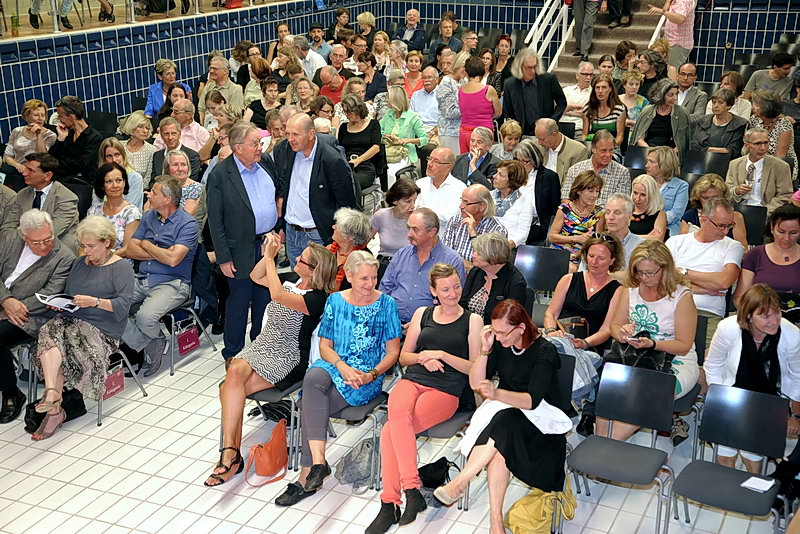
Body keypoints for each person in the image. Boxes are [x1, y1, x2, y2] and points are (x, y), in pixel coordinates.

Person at [205, 237, 337, 486]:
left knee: (229, 388)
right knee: (235, 370)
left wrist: (270, 258)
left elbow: (276, 295)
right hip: (263, 345)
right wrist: (267, 255)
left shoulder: (317, 299)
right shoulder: (292, 280)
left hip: (288, 355)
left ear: (314, 270)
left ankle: (230, 455)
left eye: (301, 260)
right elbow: (255, 276)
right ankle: (231, 453)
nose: (295, 259)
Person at [275, 252, 401, 507]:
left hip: (365, 374)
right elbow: (325, 347)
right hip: (336, 364)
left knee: (309, 406)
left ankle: (308, 474)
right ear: (350, 276)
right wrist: (341, 366)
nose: (370, 284)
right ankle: (318, 464)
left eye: (374, 278)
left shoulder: (387, 304)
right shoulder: (335, 300)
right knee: (313, 376)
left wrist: (371, 374)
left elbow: (393, 352)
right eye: (364, 278)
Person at [433, 299, 569, 534]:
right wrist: (484, 350)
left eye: (503, 333)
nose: (498, 337)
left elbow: (532, 401)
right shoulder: (500, 343)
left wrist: (496, 394)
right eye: (494, 331)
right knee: (500, 441)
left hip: (544, 425)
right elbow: (475, 383)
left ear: (521, 328)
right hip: (508, 421)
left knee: (504, 423)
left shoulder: (544, 351)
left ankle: (461, 483)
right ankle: (496, 522)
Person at [368, 263, 482, 534]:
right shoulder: (423, 313)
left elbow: (475, 368)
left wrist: (441, 355)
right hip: (413, 380)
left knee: (390, 431)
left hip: (446, 390)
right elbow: (404, 357)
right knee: (396, 418)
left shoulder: (473, 320)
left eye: (456, 287)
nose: (453, 293)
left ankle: (390, 503)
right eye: (445, 289)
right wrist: (422, 357)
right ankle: (410, 490)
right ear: (434, 292)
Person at [32, 216, 134, 440]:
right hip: (72, 318)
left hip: (102, 326)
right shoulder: (79, 264)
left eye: (91, 246)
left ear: (106, 242)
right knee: (48, 332)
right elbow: (71, 295)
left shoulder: (121, 267)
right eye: (83, 246)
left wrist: (95, 302)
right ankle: (52, 396)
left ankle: (54, 408)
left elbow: (123, 306)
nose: (86, 251)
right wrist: (59, 303)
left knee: (60, 344)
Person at [602, 239, 699, 442]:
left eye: (650, 273)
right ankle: (604, 442)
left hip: (675, 360)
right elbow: (615, 326)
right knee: (607, 391)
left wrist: (653, 344)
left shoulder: (681, 296)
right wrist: (623, 334)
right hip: (636, 355)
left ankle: (608, 445)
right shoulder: (631, 290)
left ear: (665, 269)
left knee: (642, 396)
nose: (644, 278)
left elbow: (684, 345)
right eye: (639, 272)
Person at [705, 284, 800, 473]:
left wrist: (794, 415)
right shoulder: (727, 328)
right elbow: (713, 365)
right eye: (765, 316)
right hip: (732, 394)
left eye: (777, 313)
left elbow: (797, 377)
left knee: (753, 458)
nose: (774, 321)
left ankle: (751, 485)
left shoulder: (792, 335)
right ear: (748, 315)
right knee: (725, 455)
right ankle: (729, 489)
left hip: (769, 400)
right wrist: (720, 401)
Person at [207, 122, 280, 361]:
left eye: (260, 142)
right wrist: (224, 257)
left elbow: (278, 191)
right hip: (238, 249)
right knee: (238, 303)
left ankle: (260, 348)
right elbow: (215, 221)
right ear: (238, 147)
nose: (260, 147)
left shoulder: (265, 162)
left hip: (267, 244)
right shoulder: (220, 175)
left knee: (264, 299)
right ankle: (233, 353)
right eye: (254, 144)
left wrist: (278, 227)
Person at [0, 210, 74, 425]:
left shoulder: (64, 257)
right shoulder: (9, 239)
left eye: (48, 239)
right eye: (36, 242)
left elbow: (48, 296)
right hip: (5, 302)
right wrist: (5, 300)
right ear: (23, 236)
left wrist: (9, 309)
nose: (44, 246)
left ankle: (11, 392)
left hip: (31, 315)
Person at [123, 176, 198, 376]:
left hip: (172, 283)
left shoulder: (188, 224)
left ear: (167, 199)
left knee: (145, 318)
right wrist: (161, 252)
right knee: (108, 309)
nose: (149, 195)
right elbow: (130, 249)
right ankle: (152, 343)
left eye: (154, 192)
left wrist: (147, 244)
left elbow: (173, 260)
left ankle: (150, 342)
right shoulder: (149, 216)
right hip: (142, 279)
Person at [277, 114, 359, 264]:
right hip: (291, 232)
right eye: (287, 134)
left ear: (311, 134)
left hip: (317, 234)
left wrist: (334, 239)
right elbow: (284, 181)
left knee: (318, 277)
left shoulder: (332, 160)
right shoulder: (288, 151)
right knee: (297, 276)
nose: (290, 139)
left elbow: (346, 203)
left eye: (295, 134)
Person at [667, 197, 744, 349]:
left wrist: (682, 272)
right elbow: (663, 280)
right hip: (671, 309)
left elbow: (724, 282)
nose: (726, 231)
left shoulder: (733, 246)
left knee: (707, 360)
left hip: (708, 313)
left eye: (730, 225)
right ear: (703, 219)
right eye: (720, 226)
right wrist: (702, 288)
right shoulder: (675, 242)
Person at [544, 234, 623, 373]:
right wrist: (551, 331)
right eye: (591, 256)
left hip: (590, 346)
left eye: (601, 258)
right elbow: (551, 313)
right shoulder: (568, 279)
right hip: (560, 338)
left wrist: (585, 343)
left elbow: (606, 330)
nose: (594, 261)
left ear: (612, 260)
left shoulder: (618, 290)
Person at [380, 207, 465, 325]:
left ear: (432, 232)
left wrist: (419, 324)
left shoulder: (451, 261)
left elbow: (454, 301)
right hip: (392, 321)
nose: (409, 234)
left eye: (415, 230)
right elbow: (385, 287)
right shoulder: (402, 254)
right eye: (409, 228)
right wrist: (388, 317)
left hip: (430, 326)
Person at [7, 153, 79, 251]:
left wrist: (21, 233)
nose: (24, 173)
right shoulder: (22, 194)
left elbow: (52, 232)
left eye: (31, 170)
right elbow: (9, 226)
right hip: (23, 245)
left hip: (56, 249)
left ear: (48, 176)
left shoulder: (66, 198)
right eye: (25, 168)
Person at [733, 205, 800, 309]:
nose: (786, 238)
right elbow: (740, 297)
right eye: (781, 232)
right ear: (772, 228)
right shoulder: (755, 254)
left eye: (793, 233)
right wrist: (754, 314)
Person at [460, 233, 526, 324]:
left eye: (478, 253)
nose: (473, 255)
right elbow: (462, 304)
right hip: (470, 327)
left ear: (493, 256)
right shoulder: (476, 271)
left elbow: (511, 319)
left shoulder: (515, 283)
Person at [727, 127, 794, 214]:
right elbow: (727, 191)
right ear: (747, 145)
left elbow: (785, 195)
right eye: (757, 143)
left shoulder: (781, 166)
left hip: (767, 211)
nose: (763, 148)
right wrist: (737, 191)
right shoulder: (734, 164)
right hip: (739, 210)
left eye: (765, 143)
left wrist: (765, 212)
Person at [502, 49, 567, 136]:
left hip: (546, 133)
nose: (532, 71)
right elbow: (508, 112)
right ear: (519, 67)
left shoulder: (548, 79)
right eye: (529, 67)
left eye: (534, 67)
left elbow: (562, 103)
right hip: (522, 133)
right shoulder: (510, 84)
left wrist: (552, 121)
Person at [442, 184, 508, 267]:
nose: (461, 206)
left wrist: (473, 233)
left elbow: (488, 267)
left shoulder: (497, 231)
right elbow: (445, 256)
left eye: (466, 203)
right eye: (461, 201)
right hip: (451, 272)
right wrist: (470, 266)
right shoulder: (455, 220)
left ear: (482, 206)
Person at [561, 130, 630, 207]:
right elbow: (565, 200)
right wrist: (581, 212)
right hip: (577, 213)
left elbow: (621, 205)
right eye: (603, 151)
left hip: (608, 214)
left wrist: (596, 213)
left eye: (611, 150)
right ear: (593, 149)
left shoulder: (622, 173)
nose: (608, 155)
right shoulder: (575, 170)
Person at [512, 140, 562, 245]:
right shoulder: (511, 175)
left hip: (536, 224)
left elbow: (554, 210)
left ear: (534, 160)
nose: (520, 165)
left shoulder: (549, 177)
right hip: (513, 221)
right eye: (517, 160)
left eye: (524, 161)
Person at [87, 163, 141, 258]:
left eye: (118, 180)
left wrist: (103, 259)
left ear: (124, 182)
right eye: (109, 181)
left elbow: (127, 249)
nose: (115, 185)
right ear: (102, 185)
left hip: (118, 261)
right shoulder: (94, 211)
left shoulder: (132, 213)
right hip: (93, 258)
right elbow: (86, 241)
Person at [550, 170, 605, 264]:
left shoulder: (599, 214)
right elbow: (552, 237)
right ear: (579, 191)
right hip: (557, 252)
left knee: (571, 268)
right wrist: (577, 238)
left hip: (581, 256)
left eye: (597, 191)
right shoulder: (565, 209)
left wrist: (578, 254)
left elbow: (597, 243)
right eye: (591, 191)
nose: (595, 195)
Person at [631, 78, 692, 162]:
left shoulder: (682, 112)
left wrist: (667, 155)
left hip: (670, 156)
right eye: (671, 95)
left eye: (676, 94)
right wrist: (651, 153)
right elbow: (639, 139)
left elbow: (683, 142)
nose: (674, 98)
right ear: (661, 95)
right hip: (648, 153)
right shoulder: (647, 110)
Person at [2, 99, 57, 192]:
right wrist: (17, 165)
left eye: (43, 115)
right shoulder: (17, 131)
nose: (40, 118)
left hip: (36, 175)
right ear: (27, 116)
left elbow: (42, 156)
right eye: (36, 115)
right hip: (16, 173)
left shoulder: (50, 135)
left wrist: (39, 135)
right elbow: (7, 156)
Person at [680, 173, 747, 248]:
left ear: (723, 196)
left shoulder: (735, 217)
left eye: (715, 198)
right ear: (698, 198)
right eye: (705, 198)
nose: (710, 202)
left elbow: (743, 250)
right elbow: (682, 246)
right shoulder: (689, 216)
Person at [379, 87, 428, 188]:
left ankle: (391, 195)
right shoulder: (388, 114)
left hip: (405, 153)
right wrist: (387, 136)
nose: (386, 100)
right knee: (377, 169)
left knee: (389, 171)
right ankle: (382, 194)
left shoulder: (413, 117)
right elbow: (378, 130)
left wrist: (406, 140)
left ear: (395, 100)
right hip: (388, 151)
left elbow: (424, 139)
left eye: (388, 98)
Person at [48, 96, 103, 182]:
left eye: (60, 116)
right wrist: (60, 139)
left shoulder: (95, 138)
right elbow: (50, 159)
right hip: (60, 179)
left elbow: (82, 165)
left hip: (81, 182)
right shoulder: (66, 134)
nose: (58, 119)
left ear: (71, 117)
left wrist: (59, 162)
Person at [749, 90, 798, 184]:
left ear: (767, 107)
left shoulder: (784, 124)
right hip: (757, 162)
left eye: (757, 105)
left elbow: (780, 156)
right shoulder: (754, 119)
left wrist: (764, 173)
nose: (753, 107)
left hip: (780, 165)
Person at [642, 146, 689, 237]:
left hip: (669, 230)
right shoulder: (643, 182)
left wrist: (657, 222)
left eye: (652, 162)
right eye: (647, 161)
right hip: (643, 226)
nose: (646, 165)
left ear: (665, 164)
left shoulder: (681, 186)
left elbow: (676, 213)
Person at [338, 95, 382, 191]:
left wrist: (357, 161)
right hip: (347, 165)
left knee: (351, 183)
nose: (347, 114)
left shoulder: (373, 124)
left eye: (350, 111)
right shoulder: (343, 127)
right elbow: (340, 149)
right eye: (345, 111)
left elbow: (376, 148)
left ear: (358, 109)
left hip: (365, 166)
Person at [459, 57, 502, 154]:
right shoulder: (488, 89)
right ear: (483, 72)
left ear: (466, 72)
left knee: (466, 160)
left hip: (465, 133)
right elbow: (498, 112)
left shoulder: (460, 90)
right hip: (483, 134)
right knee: (482, 161)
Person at [415, 147, 467, 225]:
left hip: (444, 232)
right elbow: (413, 210)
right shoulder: (420, 184)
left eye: (436, 161)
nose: (429, 164)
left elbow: (449, 217)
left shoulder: (459, 188)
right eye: (429, 159)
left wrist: (422, 210)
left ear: (448, 167)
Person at [371, 178, 419, 262]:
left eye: (414, 201)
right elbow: (363, 242)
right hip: (386, 262)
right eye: (408, 201)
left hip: (409, 263)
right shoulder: (381, 216)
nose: (413, 206)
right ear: (395, 201)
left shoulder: (418, 219)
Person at [691, 88, 748, 157]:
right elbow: (695, 145)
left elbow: (734, 149)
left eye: (720, 103)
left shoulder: (740, 124)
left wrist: (707, 150)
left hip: (728, 161)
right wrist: (720, 150)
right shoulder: (702, 121)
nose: (716, 106)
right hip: (702, 158)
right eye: (714, 102)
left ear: (729, 106)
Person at [597, 193, 645, 274]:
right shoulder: (596, 242)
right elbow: (582, 275)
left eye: (617, 213)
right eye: (608, 212)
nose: (610, 217)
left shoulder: (640, 246)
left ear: (629, 217)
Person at [490, 160, 534, 248]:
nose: (494, 176)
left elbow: (522, 235)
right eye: (496, 172)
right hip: (486, 245)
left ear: (512, 181)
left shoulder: (525, 203)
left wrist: (502, 248)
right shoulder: (488, 196)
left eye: (500, 175)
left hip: (509, 248)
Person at [533, 118, 590, 183]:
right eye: (537, 138)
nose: (539, 143)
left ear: (554, 134)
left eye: (542, 139)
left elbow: (578, 182)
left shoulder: (578, 151)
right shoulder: (535, 146)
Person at [327, 208, 372, 291]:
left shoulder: (362, 260)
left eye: (337, 226)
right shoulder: (329, 246)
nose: (333, 227)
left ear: (349, 237)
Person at [150, 118, 201, 185]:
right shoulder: (157, 155)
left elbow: (191, 183)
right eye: (166, 134)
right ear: (161, 136)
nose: (170, 137)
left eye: (174, 133)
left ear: (179, 134)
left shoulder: (192, 156)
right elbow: (153, 181)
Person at [436, 52, 469, 155]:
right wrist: (470, 109)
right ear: (457, 64)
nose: (465, 71)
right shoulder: (446, 83)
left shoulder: (463, 81)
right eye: (463, 67)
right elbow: (450, 112)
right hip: (449, 132)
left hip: (462, 130)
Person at [582, 73, 627, 147]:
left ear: (610, 89)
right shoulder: (588, 109)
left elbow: (620, 136)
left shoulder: (619, 109)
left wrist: (608, 149)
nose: (600, 91)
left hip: (613, 147)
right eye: (597, 87)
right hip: (594, 147)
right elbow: (584, 135)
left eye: (604, 87)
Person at [97, 137, 144, 209]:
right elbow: (96, 203)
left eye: (117, 155)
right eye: (109, 156)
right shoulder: (100, 176)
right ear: (104, 159)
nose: (114, 160)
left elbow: (131, 207)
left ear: (123, 156)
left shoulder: (136, 178)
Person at [648, 0, 696, 69]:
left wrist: (662, 11)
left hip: (678, 44)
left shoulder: (683, 1)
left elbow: (680, 19)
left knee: (673, 71)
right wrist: (668, 2)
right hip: (670, 41)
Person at [198, 56, 244, 126]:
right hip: (208, 124)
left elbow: (234, 116)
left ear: (225, 71)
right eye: (210, 68)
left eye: (215, 69)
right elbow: (201, 109)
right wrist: (203, 126)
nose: (211, 71)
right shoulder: (208, 87)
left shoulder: (235, 89)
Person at [120, 112, 157, 186]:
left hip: (140, 189)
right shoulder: (120, 146)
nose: (145, 131)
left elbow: (148, 178)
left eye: (147, 128)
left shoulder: (152, 150)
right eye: (140, 127)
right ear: (131, 127)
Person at [560, 62, 595, 138]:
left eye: (591, 75)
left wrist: (569, 109)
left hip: (580, 129)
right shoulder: (566, 90)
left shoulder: (594, 93)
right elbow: (559, 109)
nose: (588, 78)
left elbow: (590, 112)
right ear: (577, 76)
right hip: (561, 126)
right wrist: (580, 107)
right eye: (585, 74)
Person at [619, 71, 650, 143]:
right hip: (618, 135)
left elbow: (648, 123)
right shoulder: (616, 100)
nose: (634, 87)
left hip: (637, 138)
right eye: (631, 84)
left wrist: (634, 123)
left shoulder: (644, 102)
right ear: (624, 85)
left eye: (637, 84)